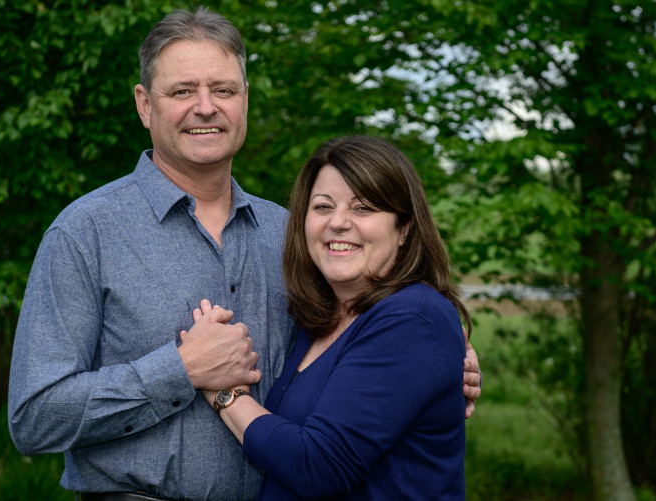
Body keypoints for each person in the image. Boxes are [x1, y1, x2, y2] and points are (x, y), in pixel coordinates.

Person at [7, 7, 482, 501]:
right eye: (182, 91)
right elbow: (34, 417)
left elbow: (356, 347)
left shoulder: (296, 237)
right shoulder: (85, 232)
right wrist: (179, 371)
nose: (206, 107)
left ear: (245, 101)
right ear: (145, 105)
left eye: (224, 90)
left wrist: (442, 369)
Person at [191, 135, 470, 500]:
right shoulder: (321, 321)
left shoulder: (413, 318)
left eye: (363, 208)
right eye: (323, 207)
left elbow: (319, 466)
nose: (338, 222)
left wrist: (225, 392)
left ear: (404, 229)